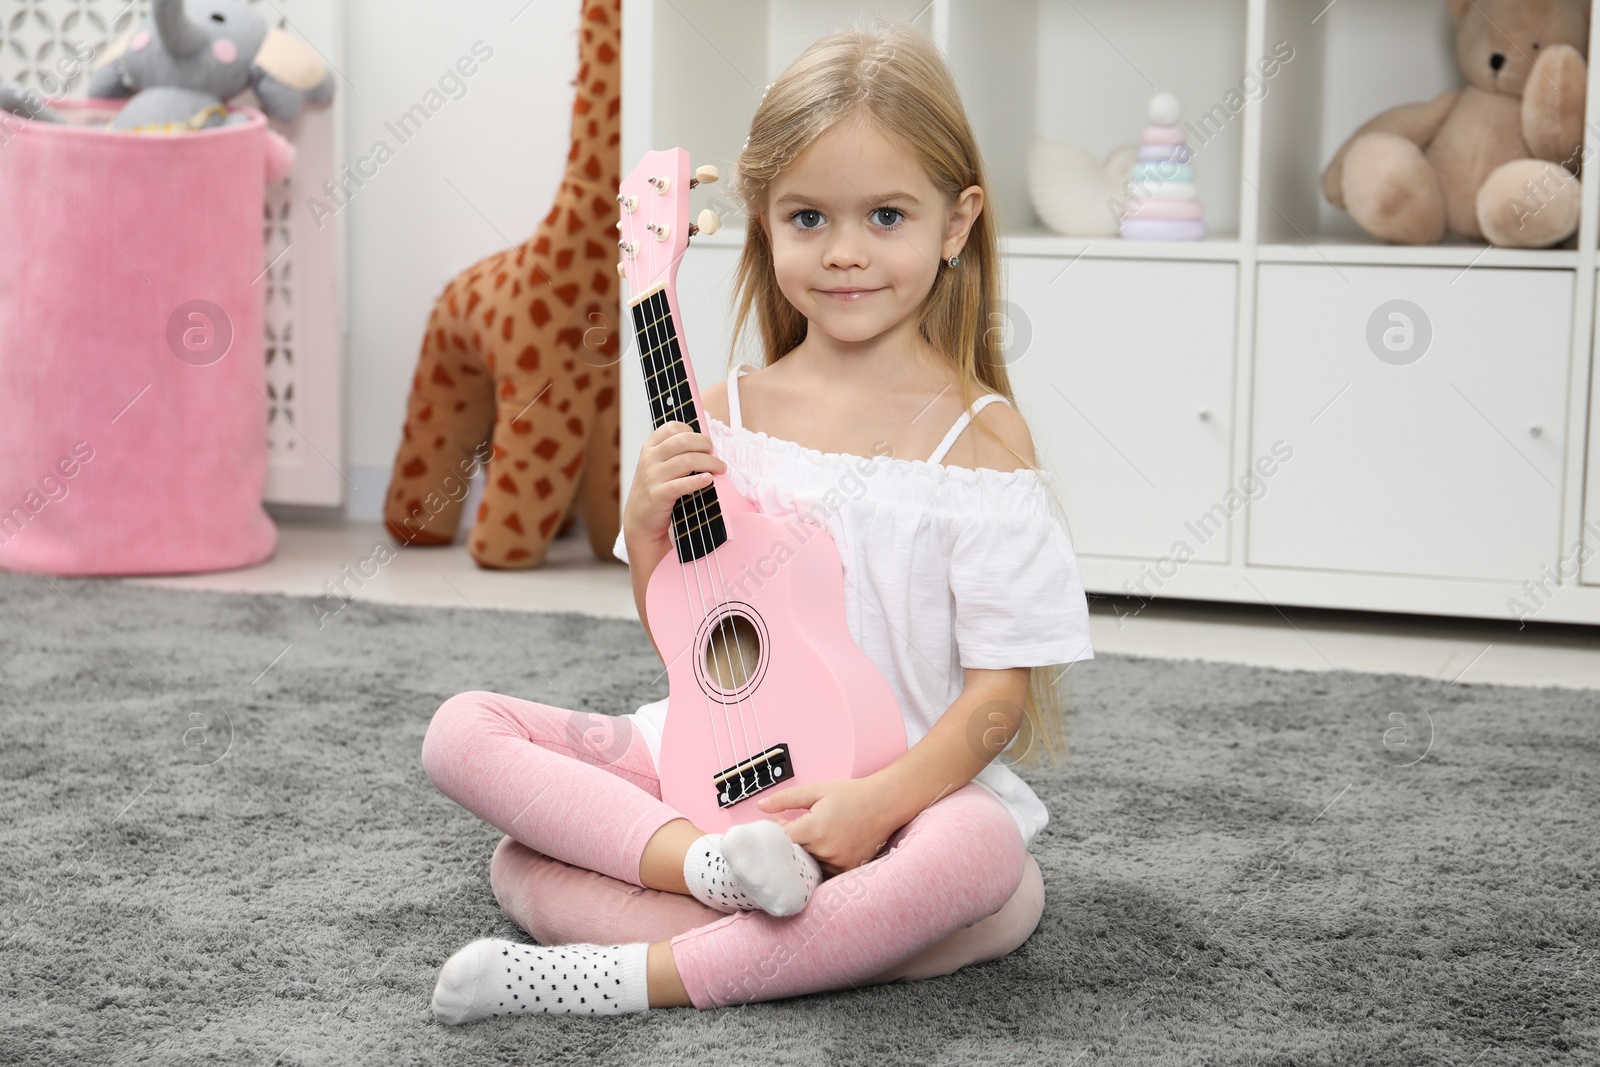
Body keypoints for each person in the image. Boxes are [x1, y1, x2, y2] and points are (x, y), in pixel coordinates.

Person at [422, 18, 1094, 1021]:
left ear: (956, 225)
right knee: (463, 735)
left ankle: (627, 972)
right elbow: (693, 634)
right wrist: (650, 532)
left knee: (987, 859)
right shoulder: (723, 412)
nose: (846, 253)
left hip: (896, 794)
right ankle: (715, 879)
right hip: (714, 777)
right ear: (764, 220)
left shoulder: (978, 443)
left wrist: (877, 805)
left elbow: (998, 699)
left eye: (887, 217)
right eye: (810, 218)